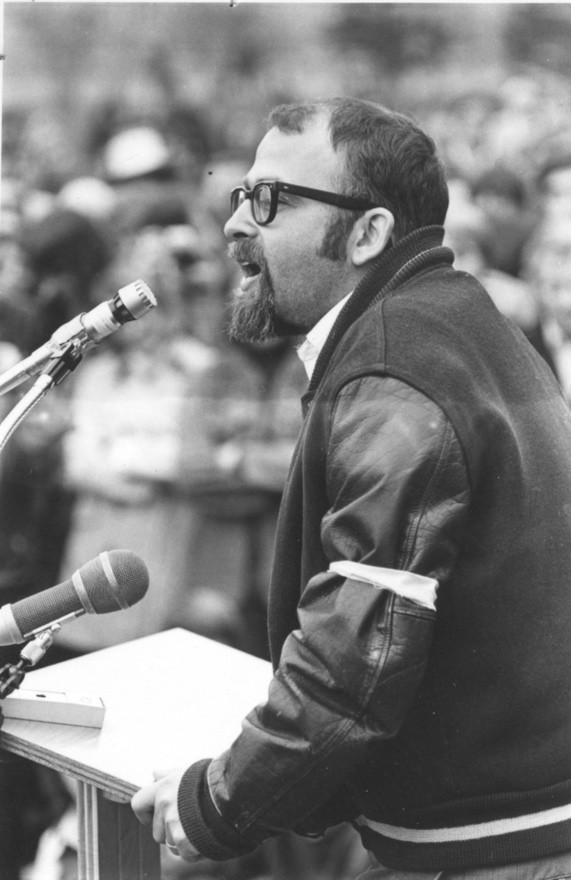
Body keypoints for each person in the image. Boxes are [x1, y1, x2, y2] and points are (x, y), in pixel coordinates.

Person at [131, 97, 571, 879]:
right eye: (241, 194)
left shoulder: (394, 368)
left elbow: (357, 652)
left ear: (367, 233)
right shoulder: (451, 324)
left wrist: (217, 803)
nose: (235, 224)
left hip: (483, 850)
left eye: (271, 199)